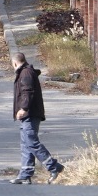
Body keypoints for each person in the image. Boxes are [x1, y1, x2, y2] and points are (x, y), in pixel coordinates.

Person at [10, 52, 64, 184]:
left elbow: (28, 92)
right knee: (26, 144)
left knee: (32, 142)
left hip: (30, 114)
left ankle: (54, 166)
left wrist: (23, 108)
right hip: (29, 115)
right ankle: (25, 174)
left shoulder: (25, 74)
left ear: (15, 63)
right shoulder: (26, 72)